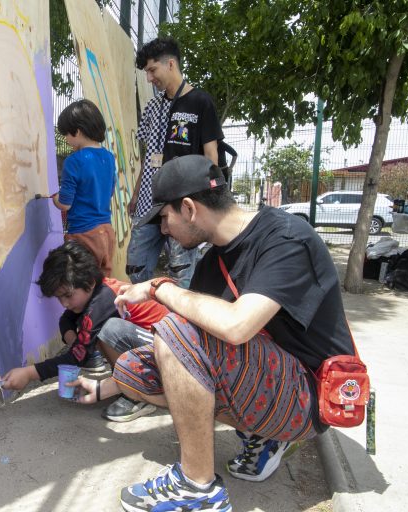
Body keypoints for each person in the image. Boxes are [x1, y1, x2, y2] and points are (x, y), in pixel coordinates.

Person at [67, 155, 356, 511]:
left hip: (307, 397)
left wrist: (159, 287)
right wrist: (103, 388)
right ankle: (260, 434)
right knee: (132, 368)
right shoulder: (212, 262)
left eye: (164, 217)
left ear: (188, 208)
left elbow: (236, 326)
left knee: (174, 330)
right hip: (265, 378)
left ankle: (197, 487)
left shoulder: (285, 238)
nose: (163, 229)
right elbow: (192, 354)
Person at [2, 240, 168, 422]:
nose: (64, 303)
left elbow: (75, 358)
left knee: (109, 329)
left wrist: (28, 373)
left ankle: (140, 392)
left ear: (89, 283)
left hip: (167, 352)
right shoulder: (93, 293)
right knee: (94, 330)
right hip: (151, 350)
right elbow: (66, 319)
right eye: (59, 298)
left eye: (67, 295)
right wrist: (75, 342)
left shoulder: (103, 300)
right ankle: (125, 381)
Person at [127, 37, 224, 288]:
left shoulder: (201, 102)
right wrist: (137, 192)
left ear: (170, 64)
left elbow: (211, 158)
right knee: (135, 266)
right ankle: (147, 315)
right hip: (150, 203)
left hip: (183, 206)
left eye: (152, 70)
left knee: (181, 274)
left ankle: (178, 323)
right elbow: (150, 155)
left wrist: (207, 204)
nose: (149, 78)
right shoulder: (153, 106)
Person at [53, 99, 117, 276]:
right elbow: (110, 191)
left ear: (77, 131)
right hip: (106, 232)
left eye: (66, 134)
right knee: (102, 283)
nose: (65, 139)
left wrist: (54, 198)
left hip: (83, 234)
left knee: (81, 284)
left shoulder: (74, 161)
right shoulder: (108, 157)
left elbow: (65, 204)